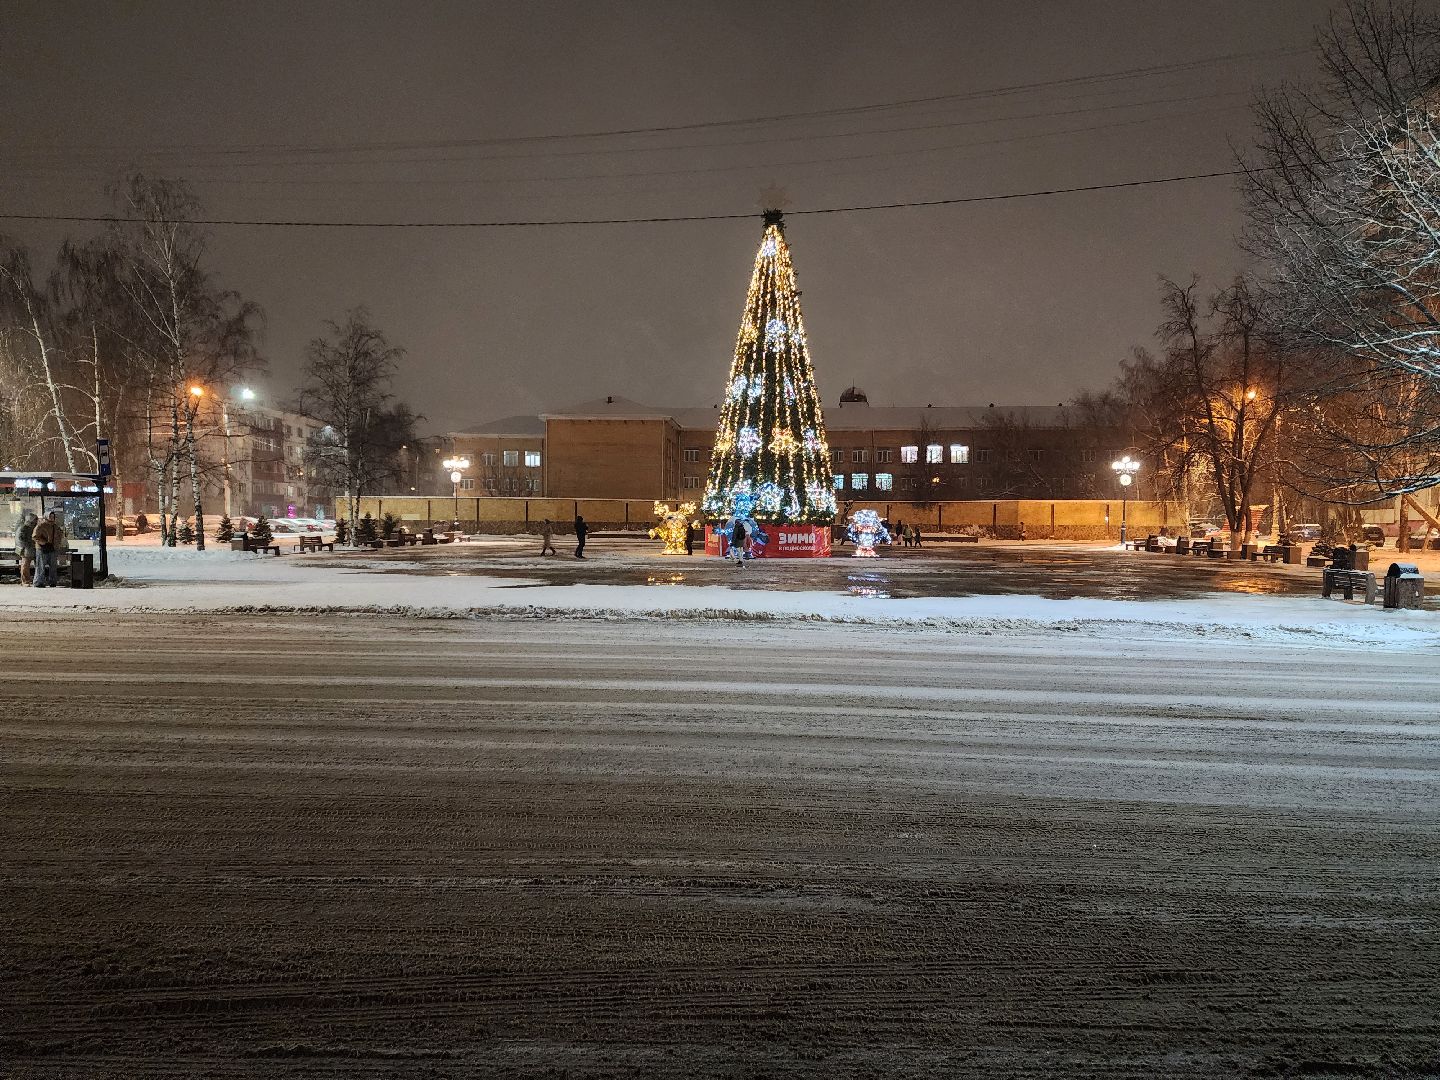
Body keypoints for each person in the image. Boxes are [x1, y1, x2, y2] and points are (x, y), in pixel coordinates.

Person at [32, 510, 63, 588]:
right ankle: (39, 582)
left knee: (53, 566)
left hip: (52, 548)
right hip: (42, 548)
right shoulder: (41, 526)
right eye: (50, 516)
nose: (52, 518)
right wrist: (44, 543)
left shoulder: (55, 526)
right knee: (41, 566)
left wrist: (57, 544)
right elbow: (35, 536)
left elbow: (59, 535)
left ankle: (52, 581)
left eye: (53, 516)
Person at [15, 510, 37, 586]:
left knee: (29, 565)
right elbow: (20, 539)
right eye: (34, 519)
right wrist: (28, 544)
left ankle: (34, 580)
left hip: (34, 549)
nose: (35, 521)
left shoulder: (35, 527)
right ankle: (25, 581)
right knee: (25, 565)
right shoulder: (24, 528)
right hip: (26, 550)